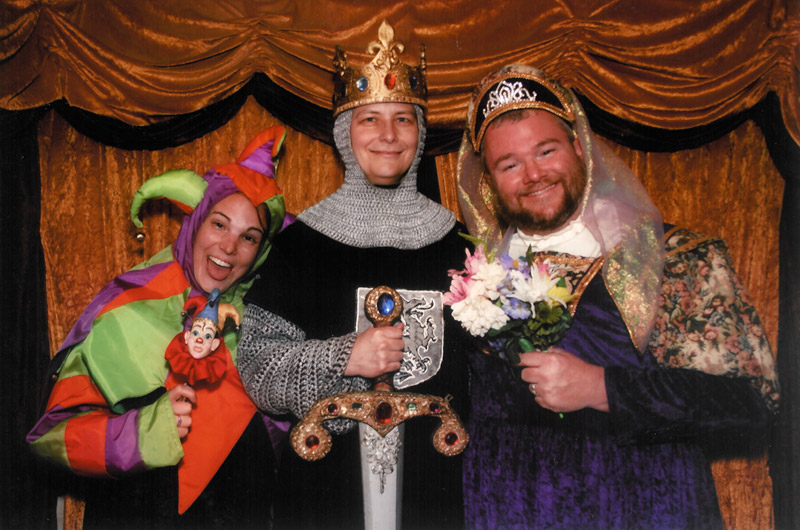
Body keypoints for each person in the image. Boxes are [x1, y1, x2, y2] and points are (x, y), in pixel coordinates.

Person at [454, 64, 779, 529]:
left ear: (579, 147)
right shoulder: (472, 279)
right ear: (488, 178)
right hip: (509, 510)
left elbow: (751, 405)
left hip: (647, 508)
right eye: (510, 163)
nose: (533, 174)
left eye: (546, 151)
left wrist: (602, 388)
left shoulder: (674, 257)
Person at [237, 21, 469, 529]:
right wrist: (346, 356)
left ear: (420, 132)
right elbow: (256, 365)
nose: (388, 136)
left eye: (403, 119)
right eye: (370, 120)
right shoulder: (303, 243)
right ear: (345, 134)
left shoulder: (458, 240)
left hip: (437, 490)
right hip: (324, 493)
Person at [27, 127, 288, 528]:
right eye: (219, 224)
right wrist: (144, 432)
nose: (229, 247)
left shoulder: (270, 325)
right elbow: (51, 439)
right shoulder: (129, 310)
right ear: (196, 221)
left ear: (260, 251)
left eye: (248, 237)